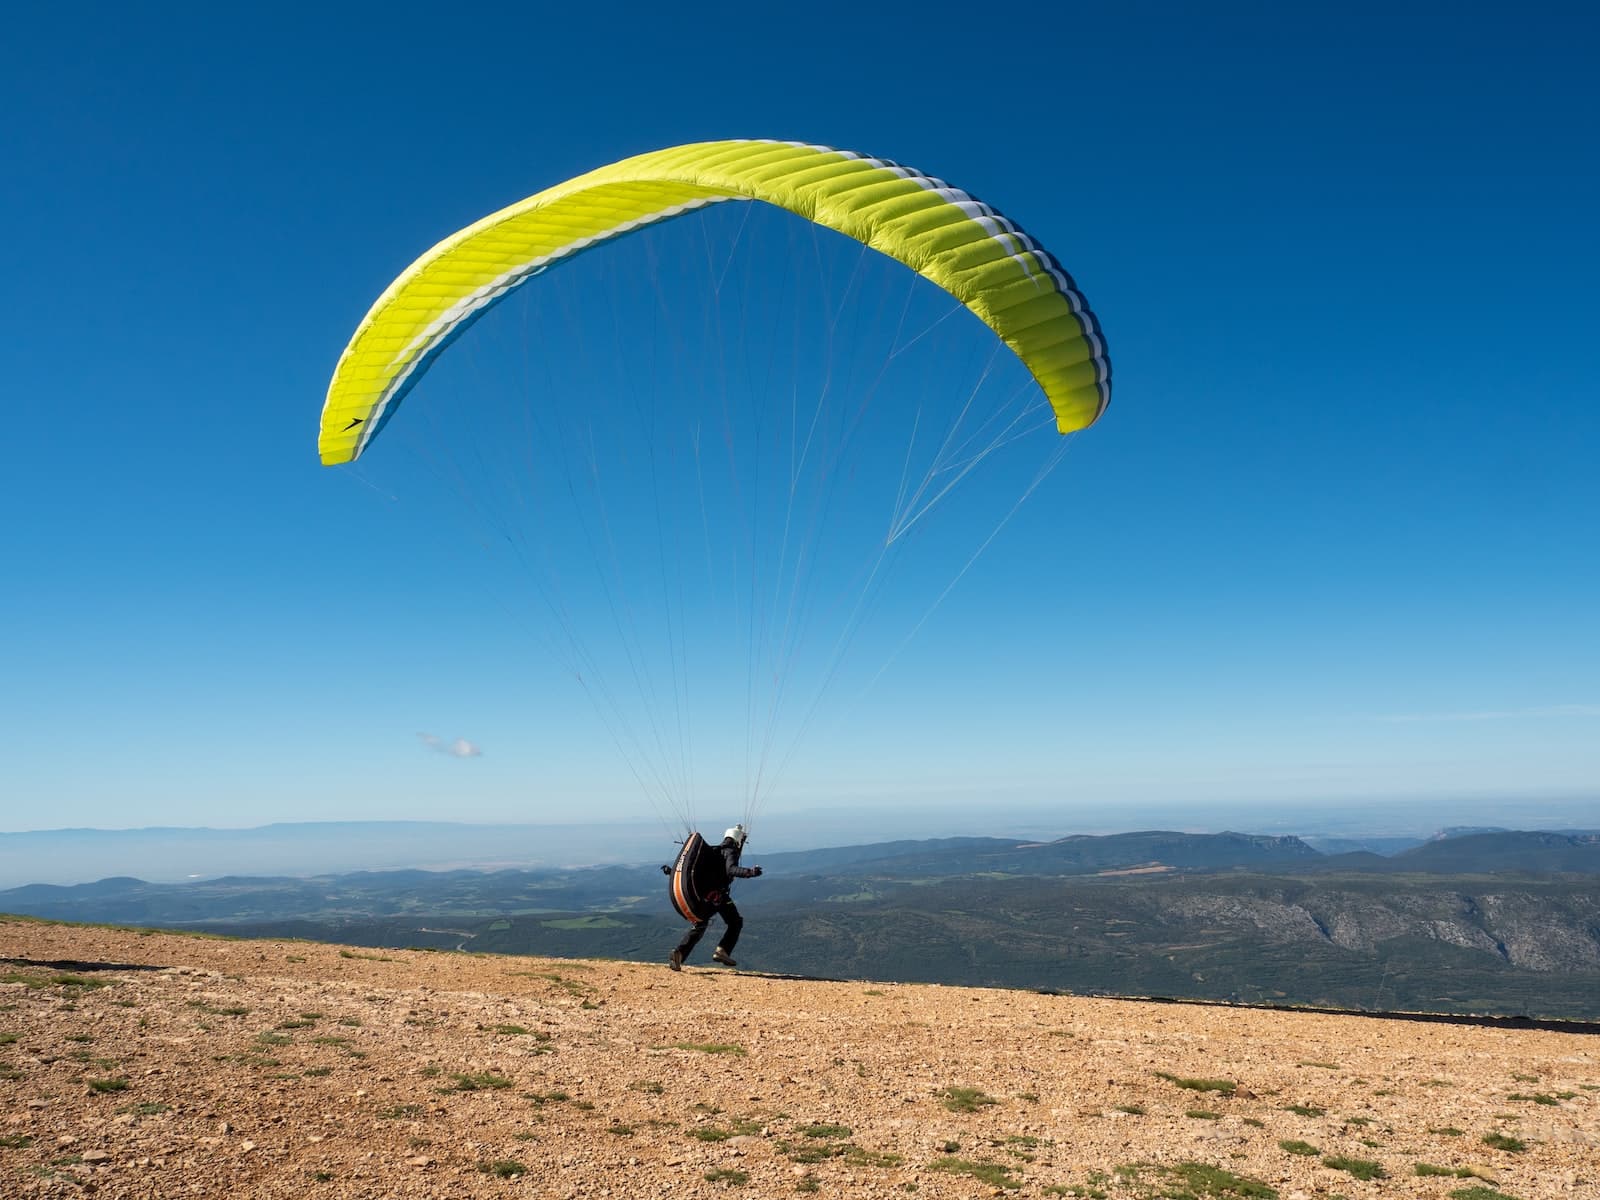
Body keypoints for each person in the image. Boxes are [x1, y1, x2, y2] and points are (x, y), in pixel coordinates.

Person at [669, 824, 762, 970]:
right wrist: (750, 872)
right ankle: (722, 951)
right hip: (719, 896)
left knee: (701, 923)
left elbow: (694, 870)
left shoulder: (713, 850)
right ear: (738, 841)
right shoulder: (730, 852)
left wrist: (672, 872)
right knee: (735, 922)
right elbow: (731, 870)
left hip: (705, 895)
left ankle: (679, 953)